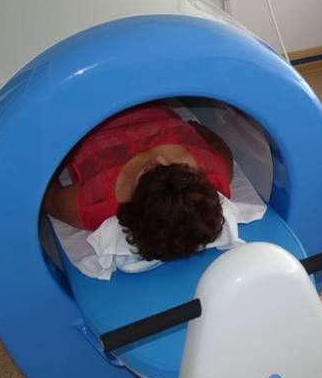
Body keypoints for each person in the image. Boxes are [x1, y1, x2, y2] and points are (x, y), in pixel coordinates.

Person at [43, 102, 233, 261]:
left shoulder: (94, 203)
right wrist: (197, 127)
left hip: (80, 105)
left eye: (150, 171)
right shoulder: (215, 172)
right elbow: (219, 145)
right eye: (176, 165)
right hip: (122, 99)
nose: (159, 157)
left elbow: (46, 195)